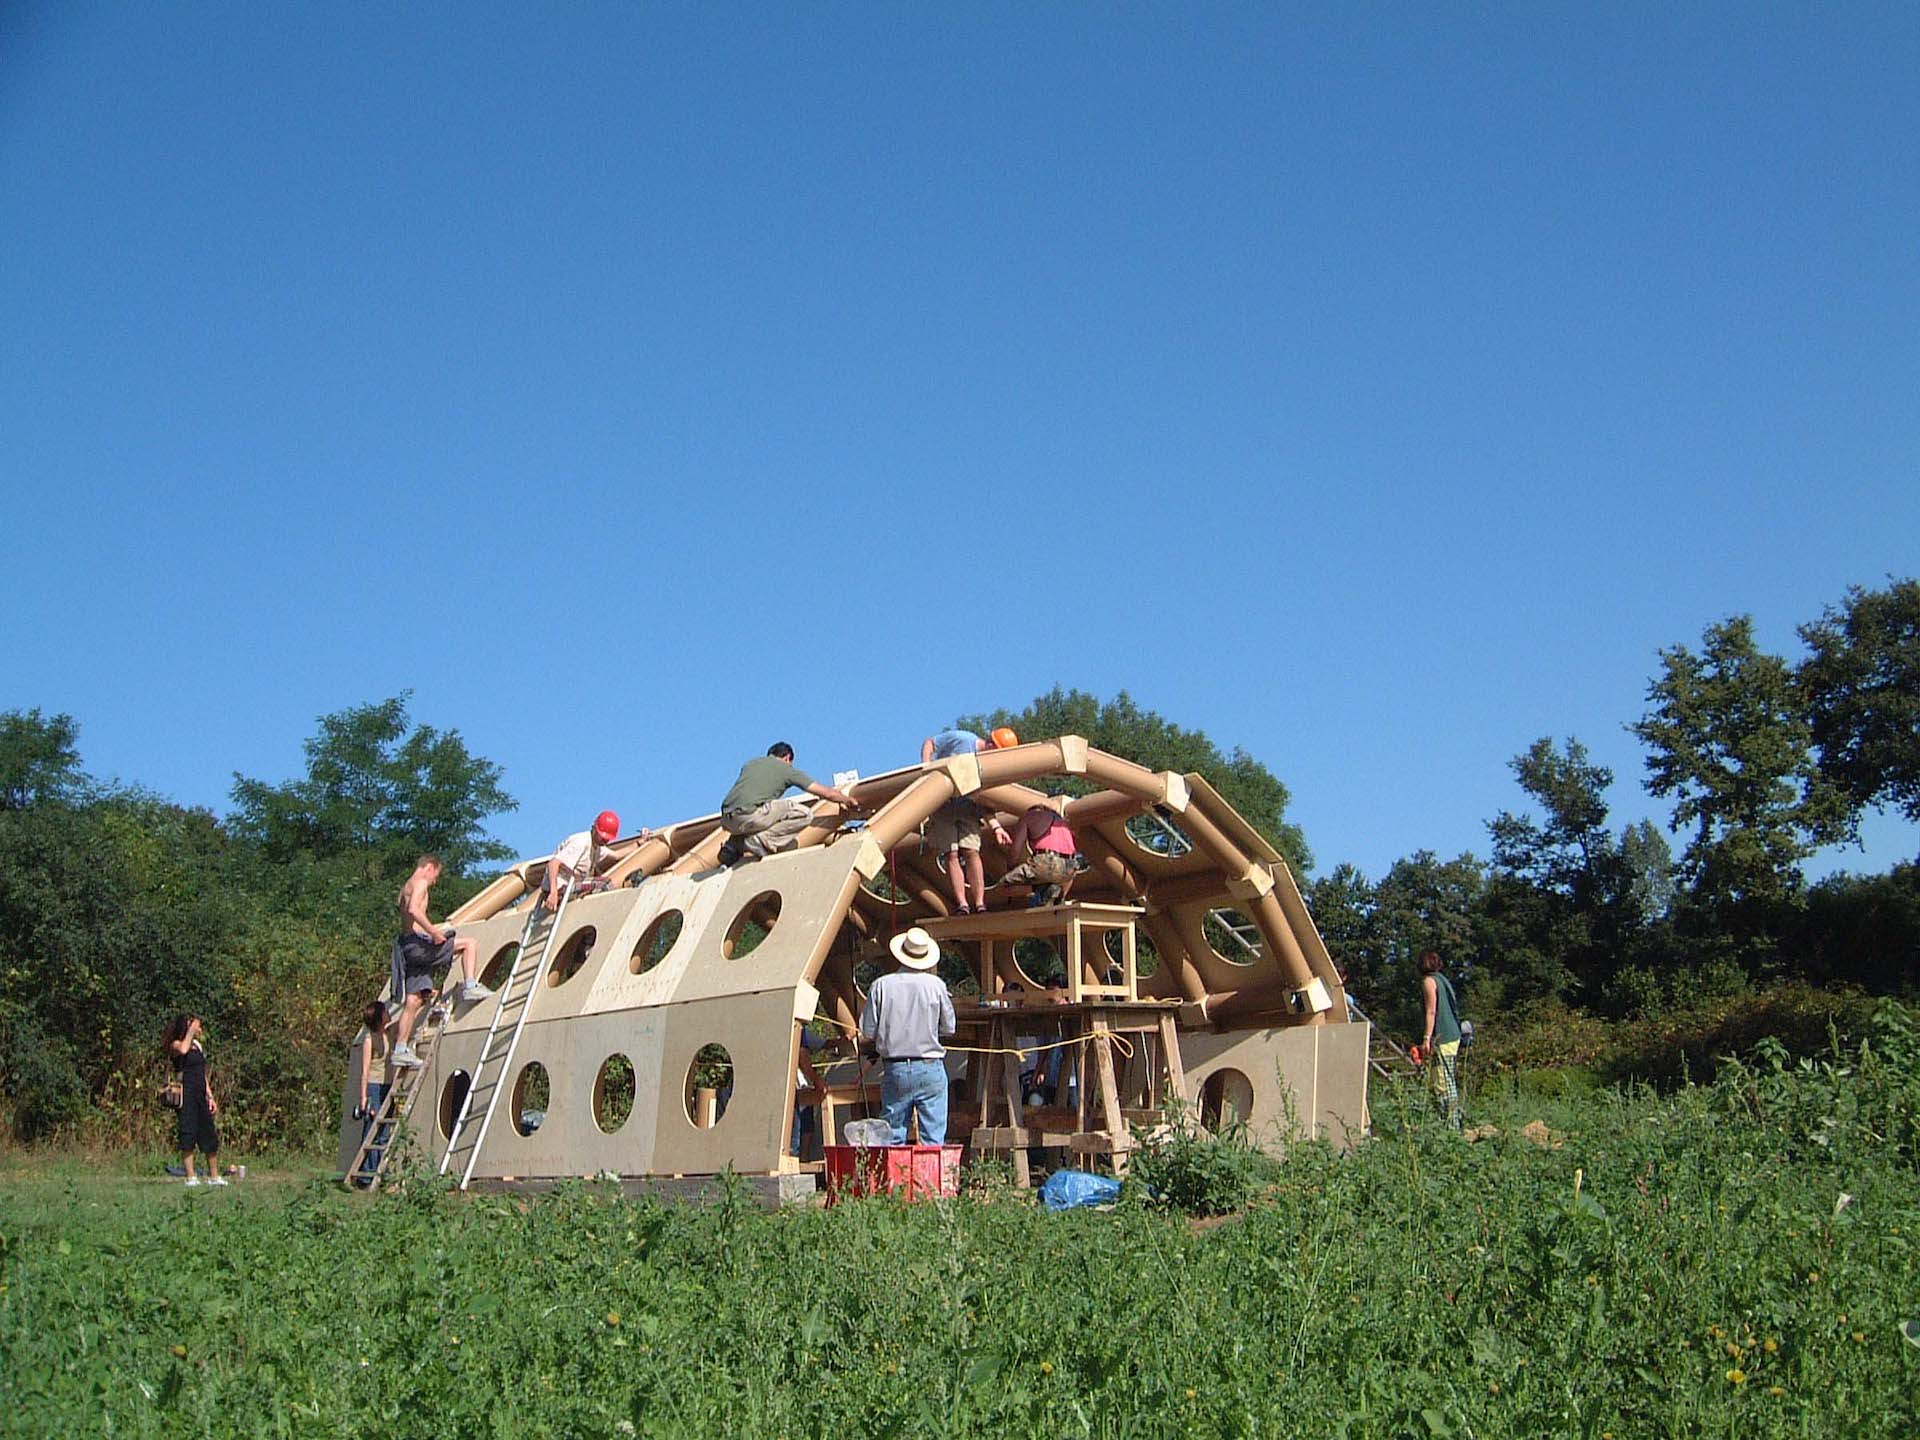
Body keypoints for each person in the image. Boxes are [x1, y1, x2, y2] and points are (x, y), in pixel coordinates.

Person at [858, 927, 957, 1145]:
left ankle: (895, 1179)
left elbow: (867, 1031)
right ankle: (932, 1178)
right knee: (933, 1139)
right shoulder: (936, 986)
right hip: (930, 1065)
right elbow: (949, 1027)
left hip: (896, 1067)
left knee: (892, 1136)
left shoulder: (881, 985)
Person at [391, 854, 488, 1069]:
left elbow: (406, 914)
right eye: (436, 874)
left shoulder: (406, 886)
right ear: (429, 867)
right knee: (469, 944)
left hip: (408, 945)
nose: (435, 880)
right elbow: (413, 910)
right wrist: (434, 933)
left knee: (414, 1000)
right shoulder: (421, 882)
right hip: (418, 945)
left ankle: (400, 1049)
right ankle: (470, 986)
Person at [919, 727, 1019, 913]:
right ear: (990, 744)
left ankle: (980, 903)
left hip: (969, 807)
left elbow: (984, 799)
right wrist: (927, 768)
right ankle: (962, 904)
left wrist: (996, 827)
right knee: (952, 853)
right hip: (944, 805)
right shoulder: (961, 739)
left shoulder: (988, 765)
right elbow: (930, 743)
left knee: (972, 851)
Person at [716, 743, 861, 864]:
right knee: (803, 814)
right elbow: (825, 793)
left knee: (764, 813)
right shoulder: (786, 769)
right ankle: (761, 842)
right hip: (750, 815)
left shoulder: (750, 764)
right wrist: (847, 800)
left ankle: (733, 845)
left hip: (727, 820)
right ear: (787, 758)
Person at [162, 1015, 225, 1187]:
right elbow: (183, 1050)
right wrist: (191, 1028)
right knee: (188, 1132)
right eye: (193, 1026)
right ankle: (191, 1177)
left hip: (200, 1092)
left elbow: (202, 1074)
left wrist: (210, 1096)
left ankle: (214, 1176)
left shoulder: (197, 1045)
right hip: (186, 1093)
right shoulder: (176, 1044)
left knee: (208, 1132)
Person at [996, 798, 1080, 908]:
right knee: (1057, 880)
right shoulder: (1062, 822)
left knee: (1002, 888)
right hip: (1070, 867)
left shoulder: (1030, 816)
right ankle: (1058, 899)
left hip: (1046, 862)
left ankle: (1040, 889)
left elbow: (1015, 850)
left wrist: (1011, 866)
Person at [1418, 950, 1465, 1131]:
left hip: (1443, 1036)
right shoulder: (1443, 980)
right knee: (1446, 1077)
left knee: (1443, 1080)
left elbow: (1431, 1011)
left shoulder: (1429, 982)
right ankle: (1450, 1122)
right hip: (1453, 1034)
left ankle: (1451, 1126)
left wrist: (1426, 1039)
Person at [542, 810, 623, 910]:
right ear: (594, 829)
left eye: (607, 839)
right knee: (605, 883)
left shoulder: (596, 847)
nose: (605, 841)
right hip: (560, 889)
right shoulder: (581, 842)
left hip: (569, 887)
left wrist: (641, 842)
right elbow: (553, 863)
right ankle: (613, 910)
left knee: (595, 888)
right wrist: (553, 892)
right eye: (603, 837)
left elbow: (617, 855)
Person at [353, 1001, 395, 1183]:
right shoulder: (369, 1039)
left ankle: (378, 1173)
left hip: (387, 1085)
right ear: (379, 1016)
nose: (388, 1013)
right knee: (372, 1129)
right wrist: (364, 1098)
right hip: (374, 1086)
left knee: (384, 1131)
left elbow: (405, 1021)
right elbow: (365, 1070)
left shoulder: (388, 1033)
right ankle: (366, 1175)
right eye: (385, 1011)